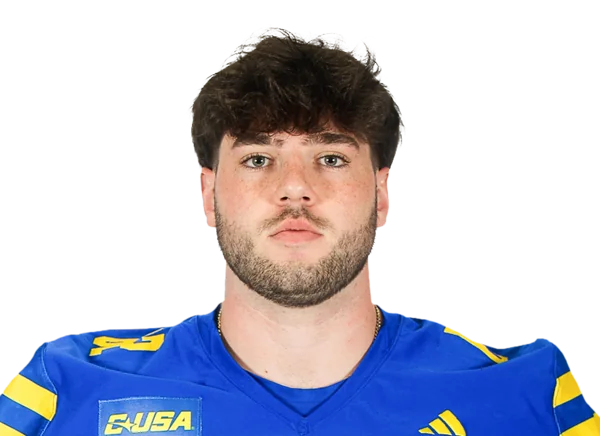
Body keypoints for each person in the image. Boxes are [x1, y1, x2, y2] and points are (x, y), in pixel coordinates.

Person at [1, 26, 597, 436]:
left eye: (330, 158)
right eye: (258, 158)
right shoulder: (61, 392)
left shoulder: (533, 396)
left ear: (382, 195)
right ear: (209, 195)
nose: (294, 188)